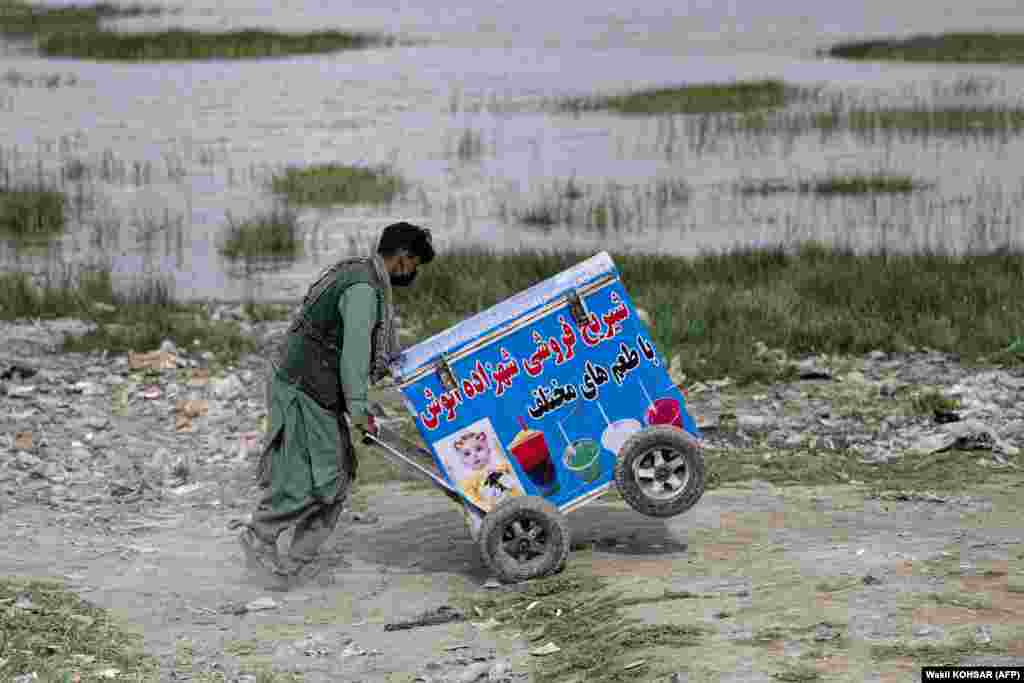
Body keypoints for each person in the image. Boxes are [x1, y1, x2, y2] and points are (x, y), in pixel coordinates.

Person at [238, 221, 434, 584]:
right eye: (416, 264)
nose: (414, 273)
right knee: (324, 479)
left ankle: (291, 563)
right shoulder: (362, 289)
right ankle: (261, 538)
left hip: (312, 384)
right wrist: (359, 409)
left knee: (335, 476)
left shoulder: (362, 274)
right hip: (304, 386)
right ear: (404, 259)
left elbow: (360, 350)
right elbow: (354, 357)